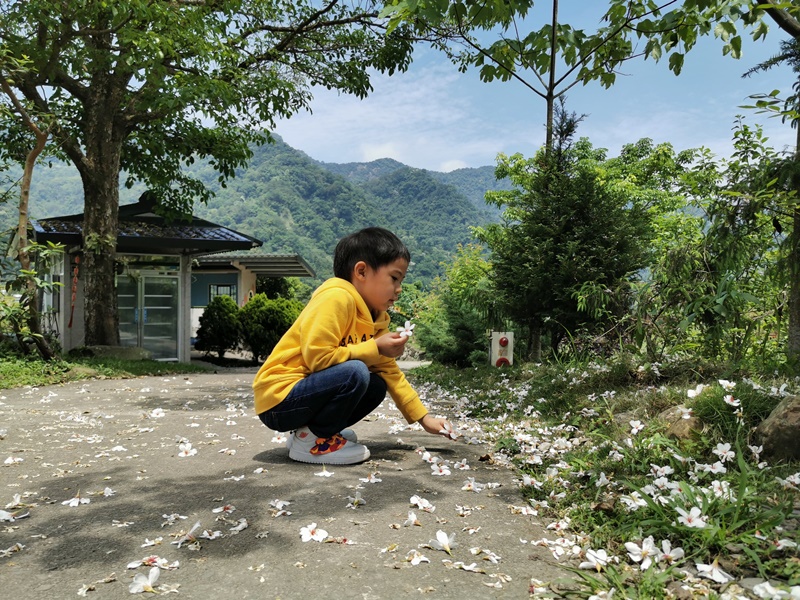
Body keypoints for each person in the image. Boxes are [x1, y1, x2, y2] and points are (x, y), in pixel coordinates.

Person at [252, 227, 452, 465]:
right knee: (356, 372)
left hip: (303, 398)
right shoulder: (335, 298)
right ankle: (313, 440)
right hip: (279, 400)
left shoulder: (376, 317)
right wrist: (375, 348)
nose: (399, 289)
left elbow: (390, 372)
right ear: (361, 271)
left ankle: (312, 432)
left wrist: (424, 418)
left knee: (377, 384)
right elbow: (319, 359)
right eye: (394, 278)